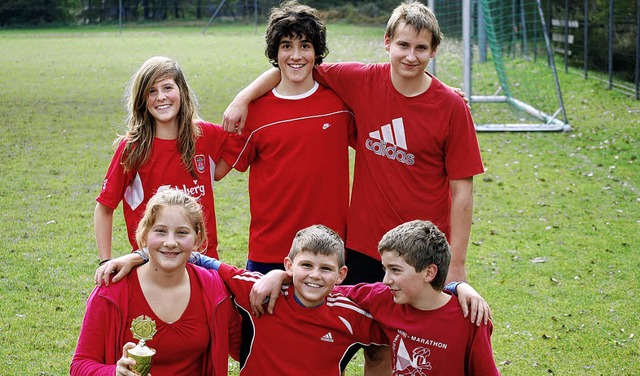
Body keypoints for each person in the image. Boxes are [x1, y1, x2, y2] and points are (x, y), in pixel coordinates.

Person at [221, 1, 483, 373]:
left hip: (419, 253)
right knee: (346, 339)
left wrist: (456, 265)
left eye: (421, 48)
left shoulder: (450, 107)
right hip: (360, 245)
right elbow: (297, 65)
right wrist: (243, 96)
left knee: (397, 346)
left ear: (434, 51)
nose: (411, 56)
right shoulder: (360, 80)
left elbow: (463, 193)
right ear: (387, 42)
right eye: (404, 45)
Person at [95, 224, 387, 375]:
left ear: (341, 274)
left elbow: (395, 333)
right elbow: (200, 259)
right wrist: (139, 255)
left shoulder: (351, 316)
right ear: (288, 265)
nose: (314, 276)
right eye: (306, 266)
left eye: (326, 269)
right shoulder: (258, 290)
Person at [214, 0, 355, 274]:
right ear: (275, 52)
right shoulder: (253, 110)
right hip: (270, 250)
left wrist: (442, 93)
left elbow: (387, 92)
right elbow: (216, 171)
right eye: (286, 46)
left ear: (316, 52)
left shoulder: (340, 103)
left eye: (305, 45)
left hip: (329, 252)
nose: (296, 55)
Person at [252, 220, 499, 375]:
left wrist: (457, 287)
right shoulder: (383, 297)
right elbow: (320, 287)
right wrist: (281, 275)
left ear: (429, 272)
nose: (386, 280)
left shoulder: (470, 317)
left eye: (395, 270)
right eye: (385, 269)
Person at [71, 189, 242, 376]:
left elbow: (245, 349)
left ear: (197, 239)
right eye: (160, 231)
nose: (170, 242)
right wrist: (114, 373)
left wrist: (277, 278)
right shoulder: (112, 290)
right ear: (144, 235)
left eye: (182, 233)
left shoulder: (213, 289)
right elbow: (80, 365)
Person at [94, 55, 228, 270]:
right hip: (151, 265)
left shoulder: (206, 135)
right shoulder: (132, 149)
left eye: (167, 87)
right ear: (142, 99)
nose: (161, 97)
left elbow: (240, 148)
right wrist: (105, 261)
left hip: (202, 265)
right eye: (152, 91)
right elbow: (104, 207)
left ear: (181, 92)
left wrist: (243, 100)